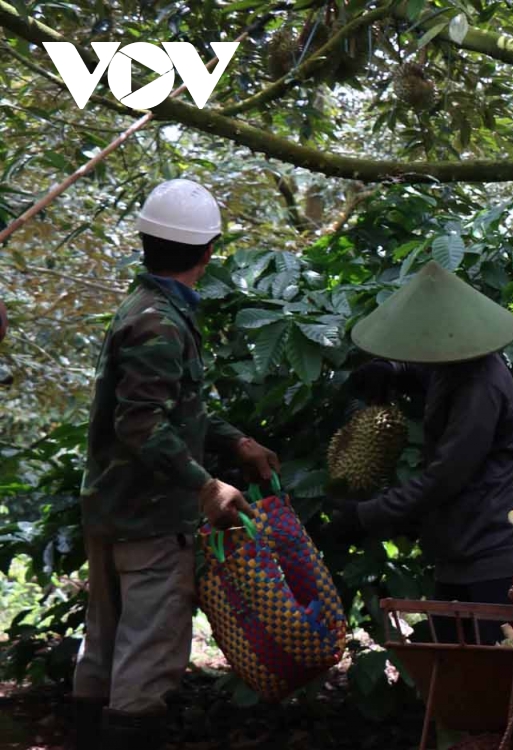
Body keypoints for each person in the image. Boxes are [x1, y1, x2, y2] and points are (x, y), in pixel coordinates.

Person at [72, 179, 280, 749]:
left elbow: (164, 408)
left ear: (145, 241)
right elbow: (141, 424)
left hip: (115, 508)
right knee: (147, 658)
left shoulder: (144, 309)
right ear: (209, 252)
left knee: (105, 647)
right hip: (150, 518)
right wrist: (205, 486)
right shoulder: (161, 322)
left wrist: (235, 442)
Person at [323, 261, 513, 646]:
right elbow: (425, 370)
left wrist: (366, 515)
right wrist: (391, 369)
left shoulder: (481, 388)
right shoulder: (453, 364)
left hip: (494, 554)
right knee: (456, 675)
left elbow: (445, 477)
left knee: (496, 681)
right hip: (459, 553)